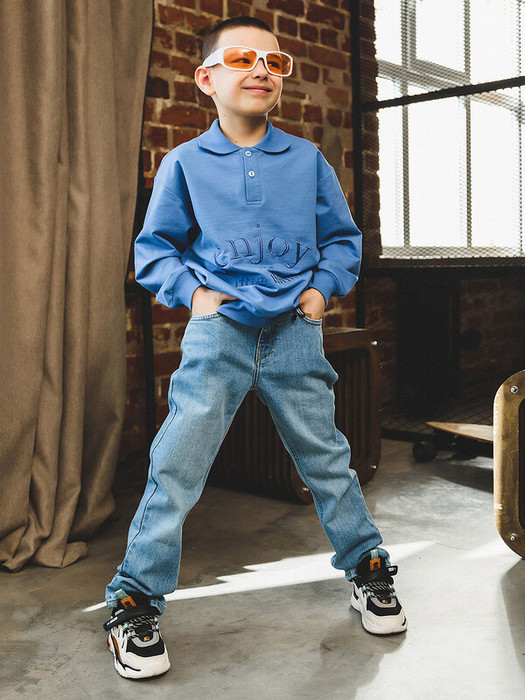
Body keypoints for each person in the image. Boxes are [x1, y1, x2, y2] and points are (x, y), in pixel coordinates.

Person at [103, 16, 407, 680]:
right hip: (221, 333)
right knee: (178, 464)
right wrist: (196, 296)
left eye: (276, 63)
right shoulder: (185, 164)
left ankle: (368, 568)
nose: (262, 71)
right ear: (206, 79)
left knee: (326, 458)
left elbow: (341, 240)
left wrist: (321, 291)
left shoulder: (306, 160)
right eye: (243, 59)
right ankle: (133, 600)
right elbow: (154, 251)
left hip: (295, 331)